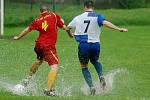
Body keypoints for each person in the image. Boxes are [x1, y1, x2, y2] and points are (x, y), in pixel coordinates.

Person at [67, 1, 128, 95]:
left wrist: (70, 35)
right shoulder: (97, 16)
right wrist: (119, 29)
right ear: (92, 7)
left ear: (84, 7)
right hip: (95, 45)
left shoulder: (78, 17)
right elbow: (105, 23)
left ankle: (91, 87)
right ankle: (101, 77)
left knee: (84, 67)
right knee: (95, 61)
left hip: (83, 45)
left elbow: (68, 28)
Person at [13, 5, 71, 96]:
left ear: (41, 12)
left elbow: (27, 29)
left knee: (38, 61)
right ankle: (48, 90)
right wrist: (70, 32)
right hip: (48, 46)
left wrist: (18, 37)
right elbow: (64, 27)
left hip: (39, 45)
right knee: (54, 67)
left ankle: (26, 80)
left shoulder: (37, 20)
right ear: (48, 10)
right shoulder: (54, 15)